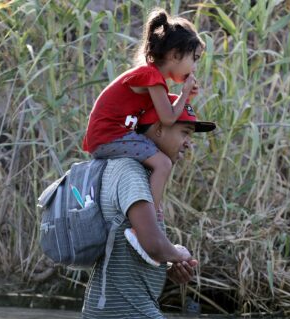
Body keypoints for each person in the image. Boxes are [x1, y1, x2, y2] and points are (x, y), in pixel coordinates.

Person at [81, 97, 216, 319]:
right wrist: (179, 254)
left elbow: (131, 246)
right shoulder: (131, 172)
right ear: (159, 129)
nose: (188, 144)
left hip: (113, 316)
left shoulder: (137, 172)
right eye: (185, 133)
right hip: (129, 318)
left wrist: (168, 266)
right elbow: (152, 243)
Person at [82, 8, 205, 256]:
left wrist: (185, 97)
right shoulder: (151, 76)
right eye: (195, 58)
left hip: (109, 135)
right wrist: (183, 95)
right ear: (175, 54)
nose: (194, 67)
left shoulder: (150, 78)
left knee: (158, 160)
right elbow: (168, 118)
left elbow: (163, 115)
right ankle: (150, 221)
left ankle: (149, 214)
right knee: (162, 164)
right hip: (110, 135)